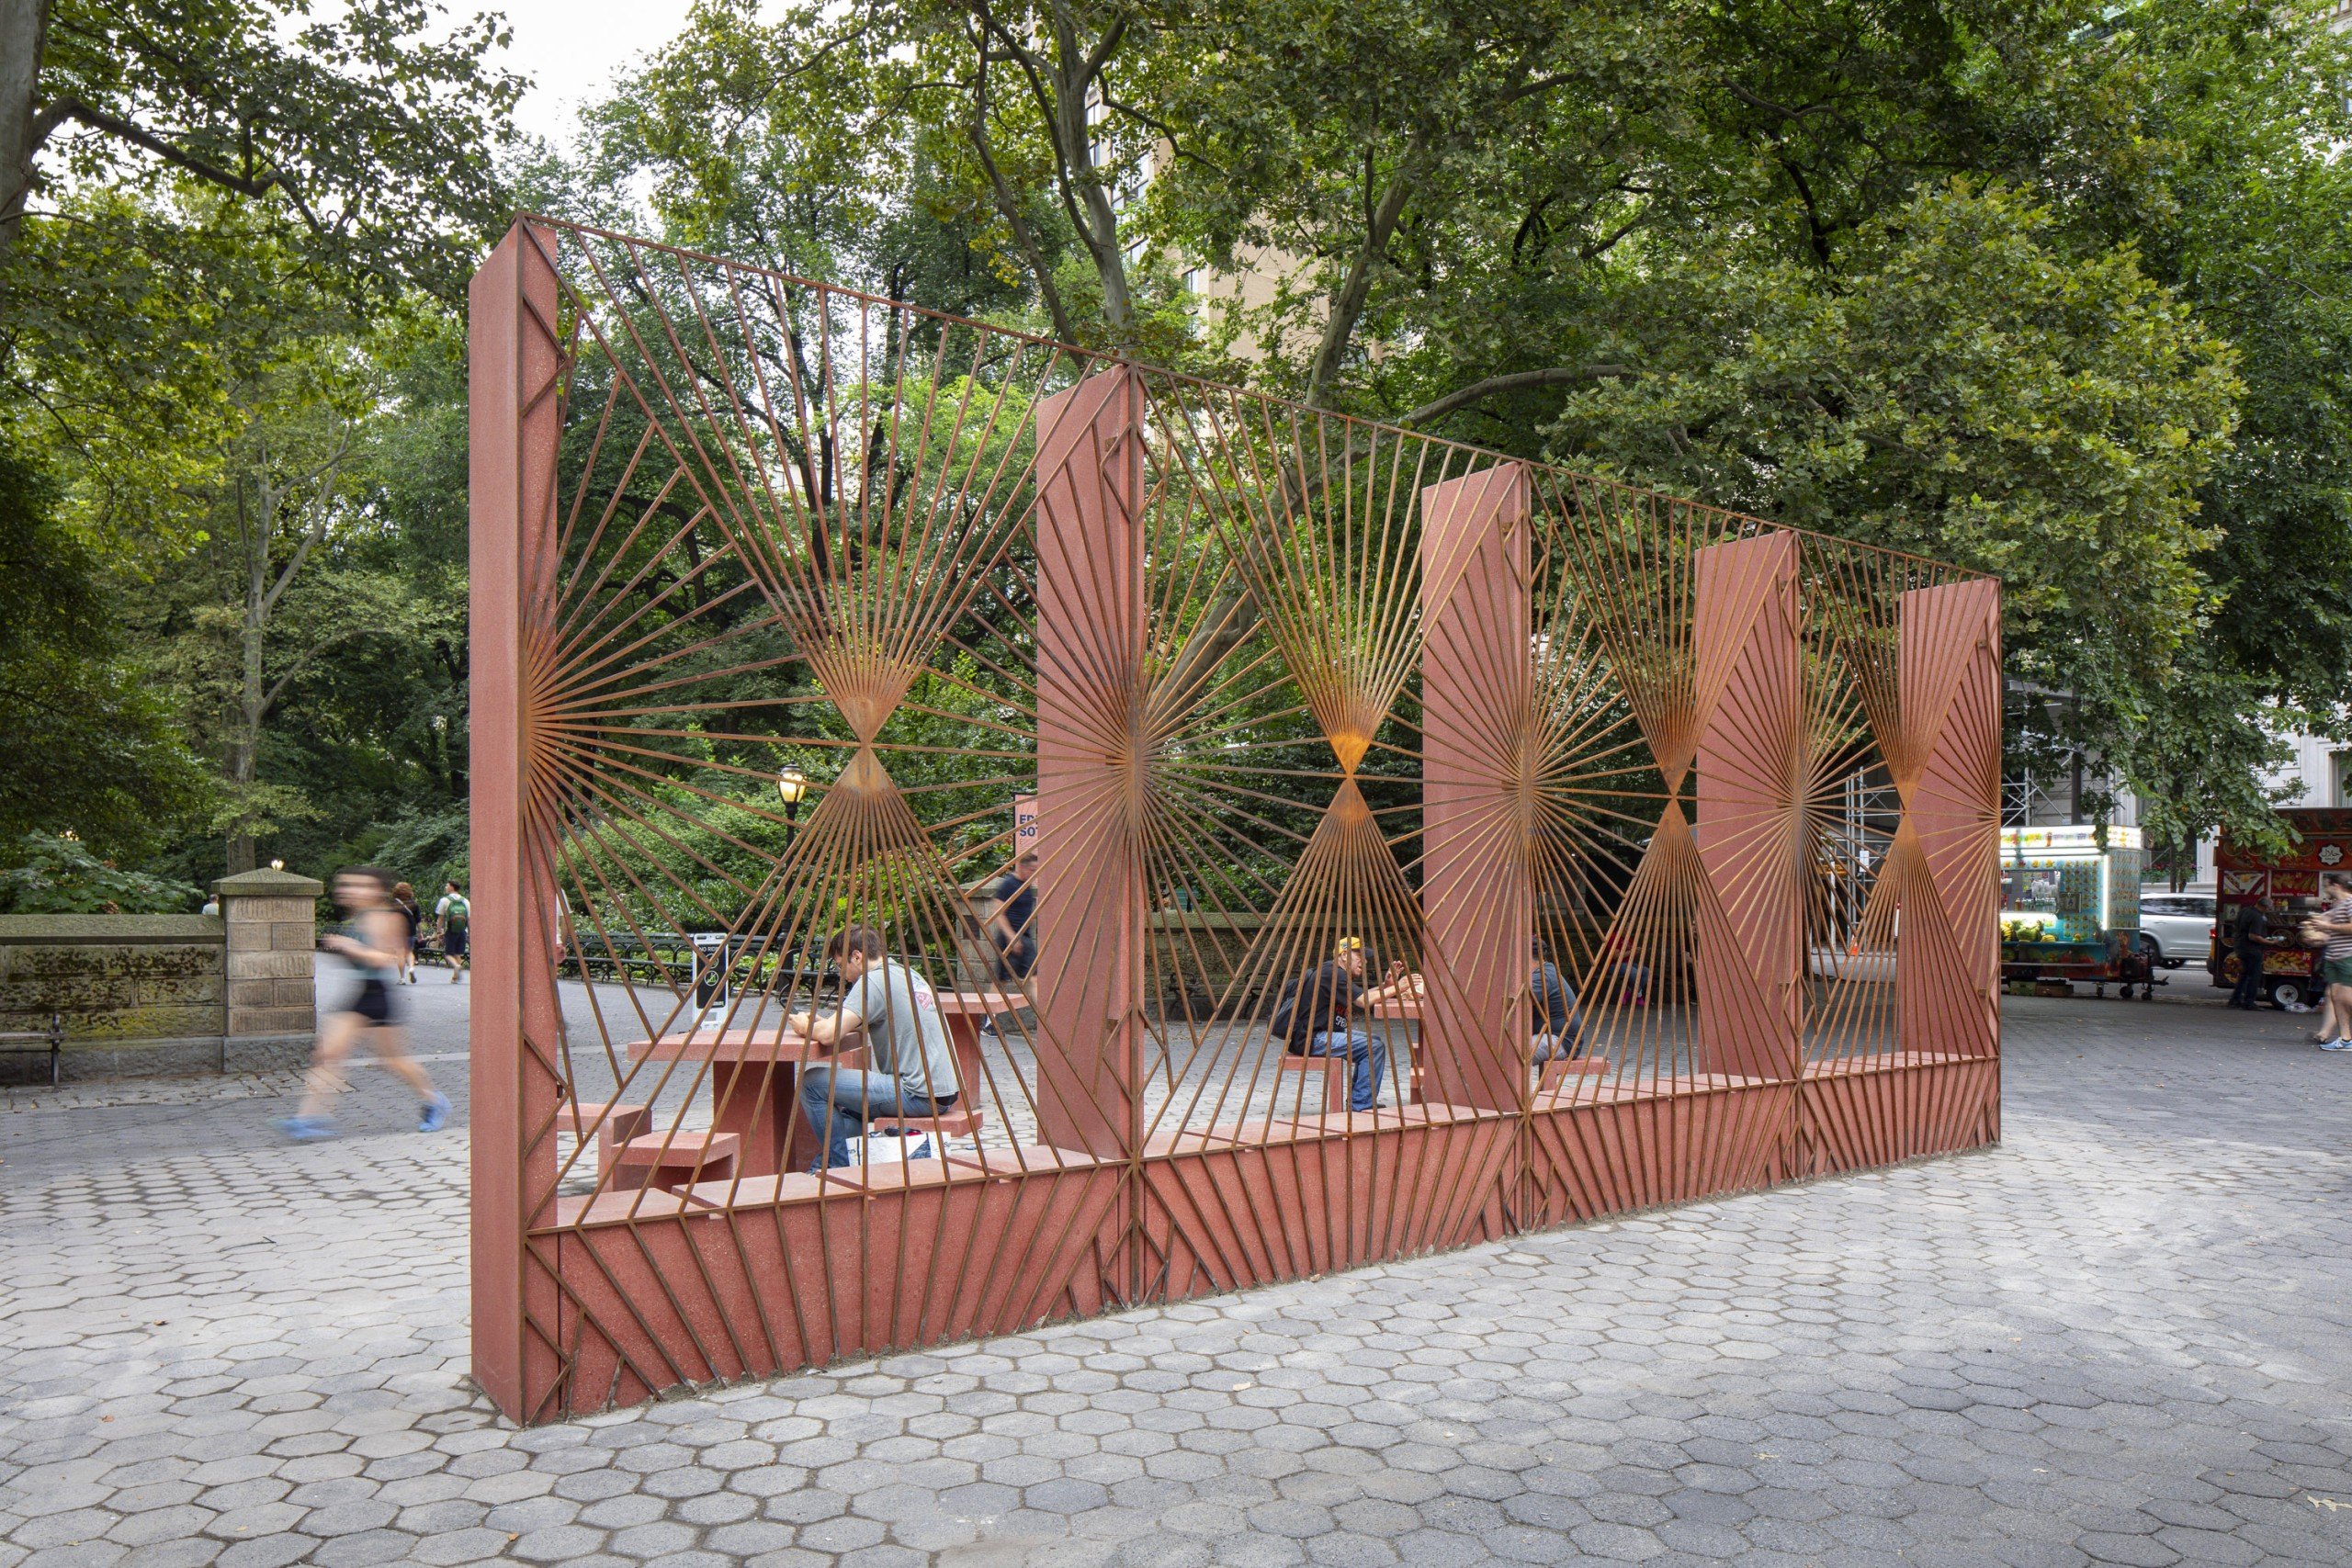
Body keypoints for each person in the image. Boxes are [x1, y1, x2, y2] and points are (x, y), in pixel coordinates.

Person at [277, 867, 449, 1141]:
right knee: (328, 1054)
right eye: (349, 885)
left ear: (377, 890)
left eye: (362, 885)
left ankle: (434, 1100)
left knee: (393, 1060)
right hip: (359, 994)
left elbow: (388, 958)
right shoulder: (359, 917)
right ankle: (308, 1118)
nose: (352, 890)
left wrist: (349, 947)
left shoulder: (387, 918)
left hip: (378, 995)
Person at [789, 927, 964, 1170]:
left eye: (841, 965)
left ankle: (834, 1166)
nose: (842, 975)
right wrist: (825, 1023)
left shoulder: (872, 981)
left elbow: (829, 1035)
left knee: (812, 1082)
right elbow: (858, 1022)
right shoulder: (905, 974)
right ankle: (846, 1160)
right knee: (850, 1111)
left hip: (916, 1093)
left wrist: (804, 1026)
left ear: (858, 956)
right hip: (943, 1092)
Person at [1275, 937, 1419, 1112]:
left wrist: (1386, 985)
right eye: (1359, 955)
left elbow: (1362, 995)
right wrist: (1401, 987)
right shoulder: (1332, 973)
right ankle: (1361, 1104)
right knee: (1373, 1047)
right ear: (1344, 954)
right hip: (1312, 1039)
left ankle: (1359, 1099)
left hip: (1319, 1035)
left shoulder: (1335, 973)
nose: (1364, 961)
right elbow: (1364, 1001)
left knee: (1374, 1041)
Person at [2307, 874, 2352, 1050]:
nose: (2325, 889)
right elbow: (2330, 932)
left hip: (2348, 957)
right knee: (2335, 997)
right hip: (2333, 958)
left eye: (2326, 886)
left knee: (2346, 997)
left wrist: (2327, 927)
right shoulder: (2337, 906)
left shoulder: (2350, 903)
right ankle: (2346, 1039)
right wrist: (2317, 937)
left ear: (2335, 886)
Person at [982, 851, 1037, 984]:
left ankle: (1043, 1006)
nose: (1034, 874)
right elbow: (999, 913)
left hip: (1025, 938)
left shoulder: (1026, 886)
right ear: (1022, 867)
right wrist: (1011, 937)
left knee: (1034, 979)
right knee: (1002, 982)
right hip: (1009, 939)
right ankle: (990, 1005)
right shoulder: (1009, 884)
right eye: (1032, 870)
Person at [1530, 940, 1582, 1065]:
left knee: (1512, 1054)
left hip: (1560, 1040)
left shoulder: (1542, 976)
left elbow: (1519, 1006)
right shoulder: (1545, 970)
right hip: (1553, 1037)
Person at [2226, 897, 2276, 1010]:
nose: (2269, 910)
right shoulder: (2257, 917)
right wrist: (2270, 942)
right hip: (2252, 950)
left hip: (2240, 946)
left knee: (2244, 975)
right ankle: (2249, 1002)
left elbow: (2236, 926)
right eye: (2269, 908)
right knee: (2254, 976)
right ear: (2264, 906)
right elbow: (2253, 936)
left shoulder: (2245, 911)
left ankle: (2235, 1000)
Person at [435, 879, 470, 982]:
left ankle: (456, 966)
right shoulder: (465, 901)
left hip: (450, 930)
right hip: (462, 930)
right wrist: (470, 933)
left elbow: (441, 918)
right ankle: (455, 977)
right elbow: (469, 919)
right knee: (457, 953)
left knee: (448, 954)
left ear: (452, 887)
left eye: (447, 886)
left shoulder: (445, 900)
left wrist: (439, 931)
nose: (445, 887)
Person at [390, 881, 422, 984]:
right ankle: (411, 968)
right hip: (411, 930)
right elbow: (418, 921)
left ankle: (402, 978)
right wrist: (420, 932)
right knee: (409, 952)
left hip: (397, 931)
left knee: (400, 954)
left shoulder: (393, 904)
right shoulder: (414, 904)